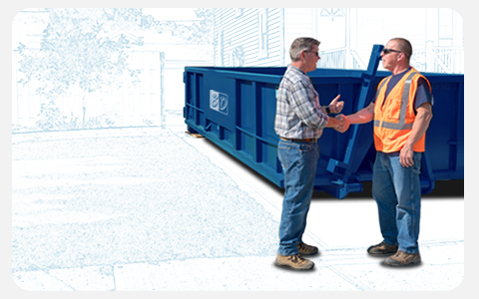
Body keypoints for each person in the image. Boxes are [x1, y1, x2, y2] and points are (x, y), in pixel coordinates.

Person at [336, 38, 433, 267]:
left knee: (405, 202)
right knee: (383, 197)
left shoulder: (416, 81)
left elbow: (425, 114)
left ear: (401, 55)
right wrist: (347, 119)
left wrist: (409, 145)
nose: (382, 55)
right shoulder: (384, 83)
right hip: (383, 152)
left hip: (403, 153)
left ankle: (409, 250)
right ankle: (391, 241)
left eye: (386, 51)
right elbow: (371, 111)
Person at [274, 37, 347, 270]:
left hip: (301, 146)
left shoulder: (300, 79)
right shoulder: (297, 81)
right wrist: (336, 122)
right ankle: (286, 250)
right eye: (316, 53)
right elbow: (312, 119)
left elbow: (307, 112)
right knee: (296, 199)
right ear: (303, 54)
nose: (318, 57)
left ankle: (294, 241)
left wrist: (328, 109)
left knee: (300, 198)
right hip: (298, 148)